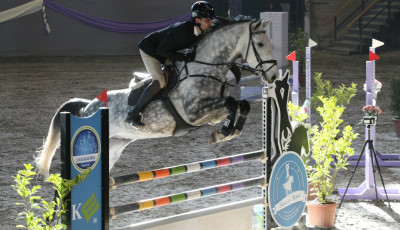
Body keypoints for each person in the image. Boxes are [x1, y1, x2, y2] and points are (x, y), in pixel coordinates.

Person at [125, 1, 215, 128]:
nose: (211, 22)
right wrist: (183, 57)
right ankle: (133, 114)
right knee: (160, 82)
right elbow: (161, 51)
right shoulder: (181, 31)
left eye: (211, 20)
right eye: (208, 20)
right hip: (151, 50)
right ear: (197, 20)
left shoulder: (201, 31)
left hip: (167, 52)